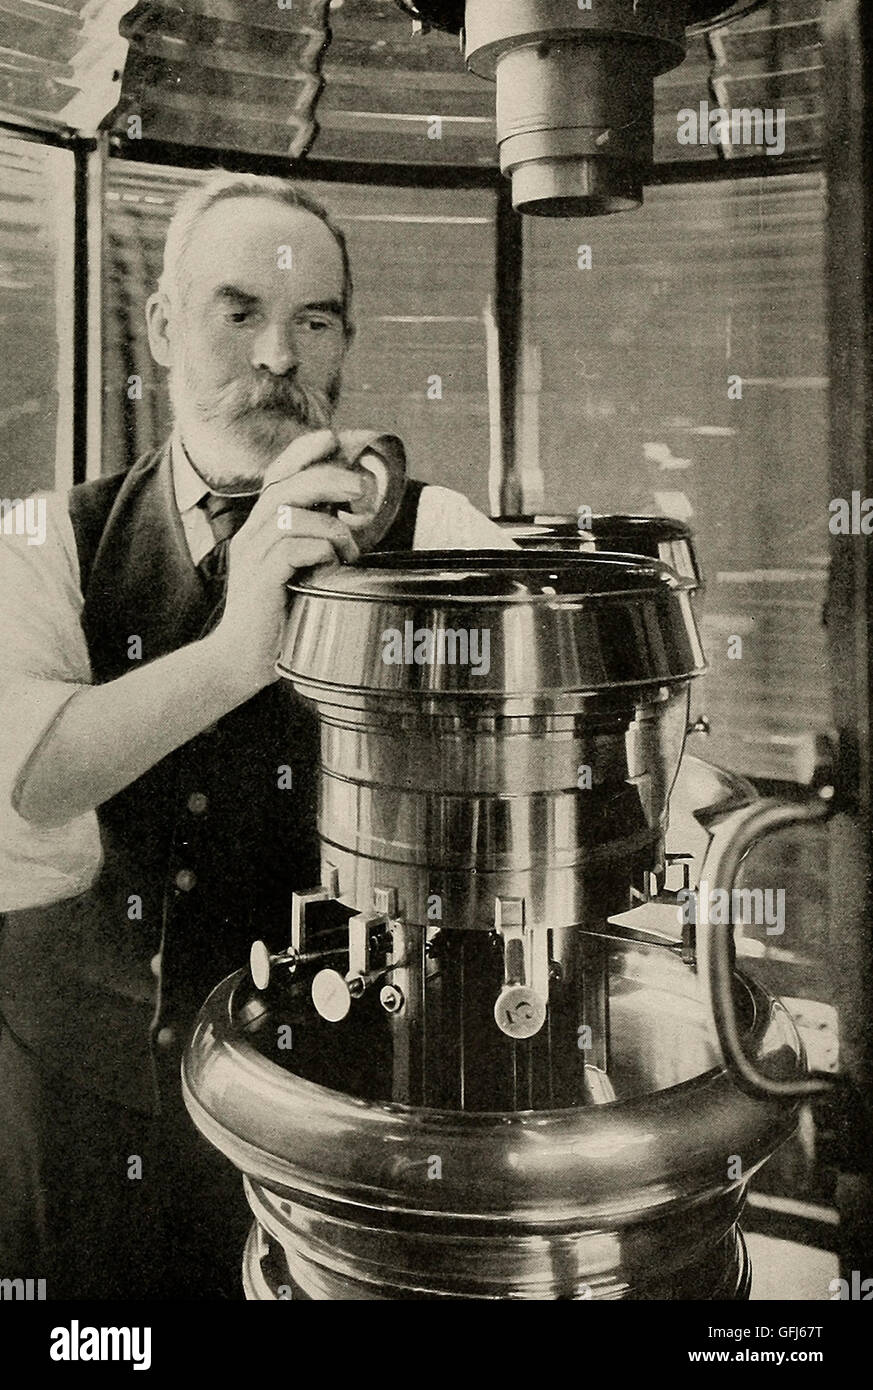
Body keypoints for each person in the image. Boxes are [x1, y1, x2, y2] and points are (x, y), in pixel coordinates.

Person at [0, 171, 515, 1299]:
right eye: (241, 313)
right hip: (83, 1116)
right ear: (166, 329)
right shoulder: (46, 542)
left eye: (313, 320)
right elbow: (26, 784)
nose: (279, 356)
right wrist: (239, 652)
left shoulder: (445, 534)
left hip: (338, 1125)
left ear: (343, 345)